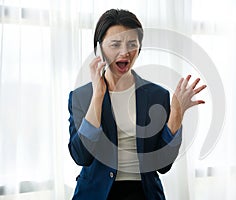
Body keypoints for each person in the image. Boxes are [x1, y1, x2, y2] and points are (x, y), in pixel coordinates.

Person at [68, 9, 206, 200]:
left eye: (132, 44)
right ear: (100, 48)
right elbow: (81, 156)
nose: (124, 51)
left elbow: (163, 165)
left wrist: (176, 113)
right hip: (96, 194)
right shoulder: (81, 96)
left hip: (144, 194)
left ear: (139, 48)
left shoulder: (157, 95)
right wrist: (98, 95)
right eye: (115, 44)